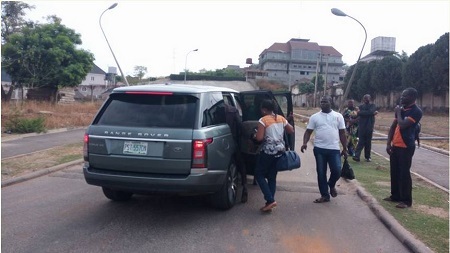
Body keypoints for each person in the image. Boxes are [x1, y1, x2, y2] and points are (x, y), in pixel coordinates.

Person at [301, 96, 348, 203]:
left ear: (331, 102)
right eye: (321, 102)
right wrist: (304, 143)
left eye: (325, 102)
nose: (323, 104)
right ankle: (325, 195)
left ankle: (331, 184)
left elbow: (342, 133)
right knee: (321, 172)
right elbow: (308, 131)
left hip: (334, 149)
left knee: (337, 170)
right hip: (319, 149)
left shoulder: (338, 116)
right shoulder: (315, 117)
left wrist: (345, 148)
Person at [251, 99, 294, 212]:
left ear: (265, 110)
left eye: (261, 109)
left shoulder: (263, 120)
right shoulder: (280, 118)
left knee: (259, 174)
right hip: (280, 151)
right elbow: (291, 130)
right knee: (271, 177)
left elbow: (259, 138)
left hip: (268, 152)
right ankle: (270, 203)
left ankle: (270, 200)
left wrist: (255, 135)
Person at [384, 88, 422, 209]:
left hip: (406, 146)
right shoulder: (402, 110)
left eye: (404, 96)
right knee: (394, 172)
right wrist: (388, 143)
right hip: (396, 146)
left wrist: (399, 112)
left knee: (404, 173)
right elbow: (393, 127)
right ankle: (395, 196)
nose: (401, 98)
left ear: (412, 97)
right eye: (401, 96)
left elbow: (403, 124)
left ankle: (406, 200)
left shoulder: (416, 111)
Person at [224, 103, 248, 203]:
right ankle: (245, 187)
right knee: (241, 163)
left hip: (216, 142)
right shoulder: (232, 110)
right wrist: (249, 138)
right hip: (232, 141)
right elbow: (240, 126)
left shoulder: (213, 109)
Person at [353, 94, 378, 162]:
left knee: (368, 142)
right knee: (361, 141)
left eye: (367, 98)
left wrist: (361, 112)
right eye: (364, 98)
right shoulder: (361, 106)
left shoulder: (373, 106)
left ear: (370, 99)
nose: (365, 100)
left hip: (369, 126)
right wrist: (370, 113)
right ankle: (357, 156)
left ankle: (367, 156)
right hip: (362, 126)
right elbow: (358, 113)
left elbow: (369, 112)